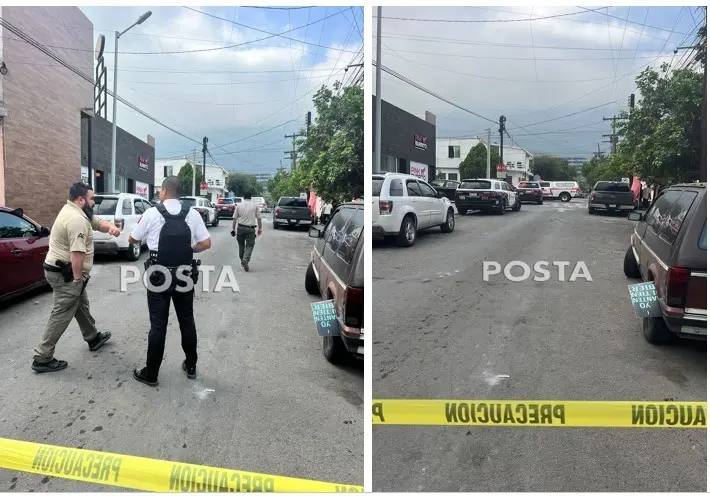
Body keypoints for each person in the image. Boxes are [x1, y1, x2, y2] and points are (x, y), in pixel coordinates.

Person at [127, 176, 211, 387]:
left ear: (164, 192)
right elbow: (206, 243)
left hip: (158, 275)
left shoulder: (151, 213)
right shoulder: (192, 214)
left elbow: (132, 239)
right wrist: (190, 249)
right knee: (187, 320)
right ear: (179, 193)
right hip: (184, 275)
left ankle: (151, 374)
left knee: (158, 326)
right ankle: (191, 365)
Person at [32, 182, 121, 373]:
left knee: (81, 305)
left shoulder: (78, 212)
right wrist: (77, 279)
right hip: (66, 275)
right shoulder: (76, 219)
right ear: (80, 200)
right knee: (62, 313)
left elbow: (97, 222)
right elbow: (77, 254)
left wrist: (111, 228)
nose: (94, 202)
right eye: (92, 198)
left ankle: (93, 337)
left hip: (65, 273)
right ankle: (42, 356)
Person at [230, 191, 262, 272]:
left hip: (240, 228)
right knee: (250, 246)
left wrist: (233, 229)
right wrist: (260, 229)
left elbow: (234, 219)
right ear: (251, 197)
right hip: (250, 229)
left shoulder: (239, 205)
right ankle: (245, 259)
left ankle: (242, 261)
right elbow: (259, 218)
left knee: (241, 245)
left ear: (243, 197)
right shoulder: (255, 206)